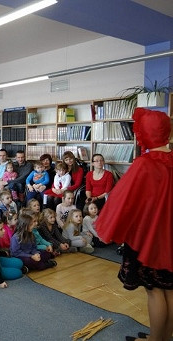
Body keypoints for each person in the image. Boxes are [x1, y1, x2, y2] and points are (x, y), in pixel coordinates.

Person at [96, 108, 173, 341]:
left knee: (155, 291)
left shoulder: (144, 164)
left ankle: (155, 339)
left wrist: (108, 227)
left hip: (149, 239)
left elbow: (123, 201)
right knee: (170, 290)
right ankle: (164, 337)